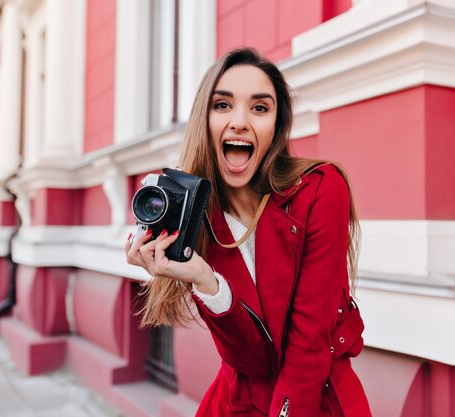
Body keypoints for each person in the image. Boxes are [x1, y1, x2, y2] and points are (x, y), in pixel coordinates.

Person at [125, 47, 371, 417]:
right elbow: (252, 359)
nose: (240, 122)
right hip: (237, 402)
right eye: (223, 105)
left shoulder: (320, 190)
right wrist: (204, 280)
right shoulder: (197, 219)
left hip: (317, 401)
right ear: (204, 120)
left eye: (260, 108)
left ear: (277, 125)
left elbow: (307, 348)